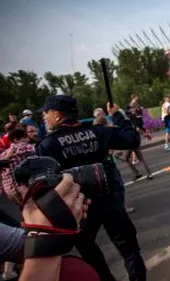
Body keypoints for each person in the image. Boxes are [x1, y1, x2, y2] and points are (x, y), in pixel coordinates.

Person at [35, 95, 147, 281]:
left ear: (56, 114)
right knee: (129, 250)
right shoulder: (97, 132)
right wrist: (117, 115)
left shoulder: (49, 144)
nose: (44, 118)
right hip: (110, 200)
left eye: (46, 113)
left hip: (82, 208)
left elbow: (44, 183)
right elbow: (131, 139)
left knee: (88, 251)